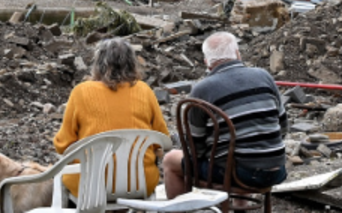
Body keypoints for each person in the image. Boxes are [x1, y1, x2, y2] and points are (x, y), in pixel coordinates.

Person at [163, 32, 288, 196]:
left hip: (239, 175)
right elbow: (283, 127)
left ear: (207, 62)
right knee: (238, 150)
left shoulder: (202, 90)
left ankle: (182, 208)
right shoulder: (264, 76)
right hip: (277, 170)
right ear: (238, 54)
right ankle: (239, 205)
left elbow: (194, 148)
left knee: (171, 161)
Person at [53, 37, 169, 198]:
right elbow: (162, 141)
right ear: (132, 63)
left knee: (63, 177)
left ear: (98, 63)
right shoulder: (145, 91)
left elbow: (63, 145)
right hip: (139, 183)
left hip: (90, 187)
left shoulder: (81, 92)